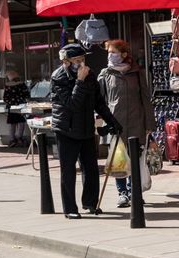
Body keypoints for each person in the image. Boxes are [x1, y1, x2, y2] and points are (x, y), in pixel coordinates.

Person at [50, 43, 119, 219]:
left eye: (83, 59)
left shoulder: (89, 75)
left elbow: (99, 102)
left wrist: (112, 122)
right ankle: (70, 208)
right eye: (76, 60)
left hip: (87, 128)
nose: (81, 63)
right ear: (66, 61)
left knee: (91, 168)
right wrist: (80, 81)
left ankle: (90, 202)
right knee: (69, 170)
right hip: (67, 129)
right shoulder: (58, 77)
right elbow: (72, 104)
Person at [97, 39, 155, 208]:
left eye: (113, 52)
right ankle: (122, 193)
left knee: (135, 158)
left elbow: (145, 99)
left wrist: (149, 124)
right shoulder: (105, 74)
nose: (110, 56)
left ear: (123, 54)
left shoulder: (137, 72)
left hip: (137, 121)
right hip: (115, 123)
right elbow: (100, 101)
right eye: (108, 53)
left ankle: (134, 191)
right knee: (119, 160)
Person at [2, 68, 29, 148]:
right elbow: (27, 95)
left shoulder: (7, 86)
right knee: (21, 122)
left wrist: (10, 102)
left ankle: (12, 139)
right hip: (21, 107)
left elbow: (5, 98)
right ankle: (19, 138)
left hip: (11, 107)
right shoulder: (22, 85)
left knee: (12, 123)